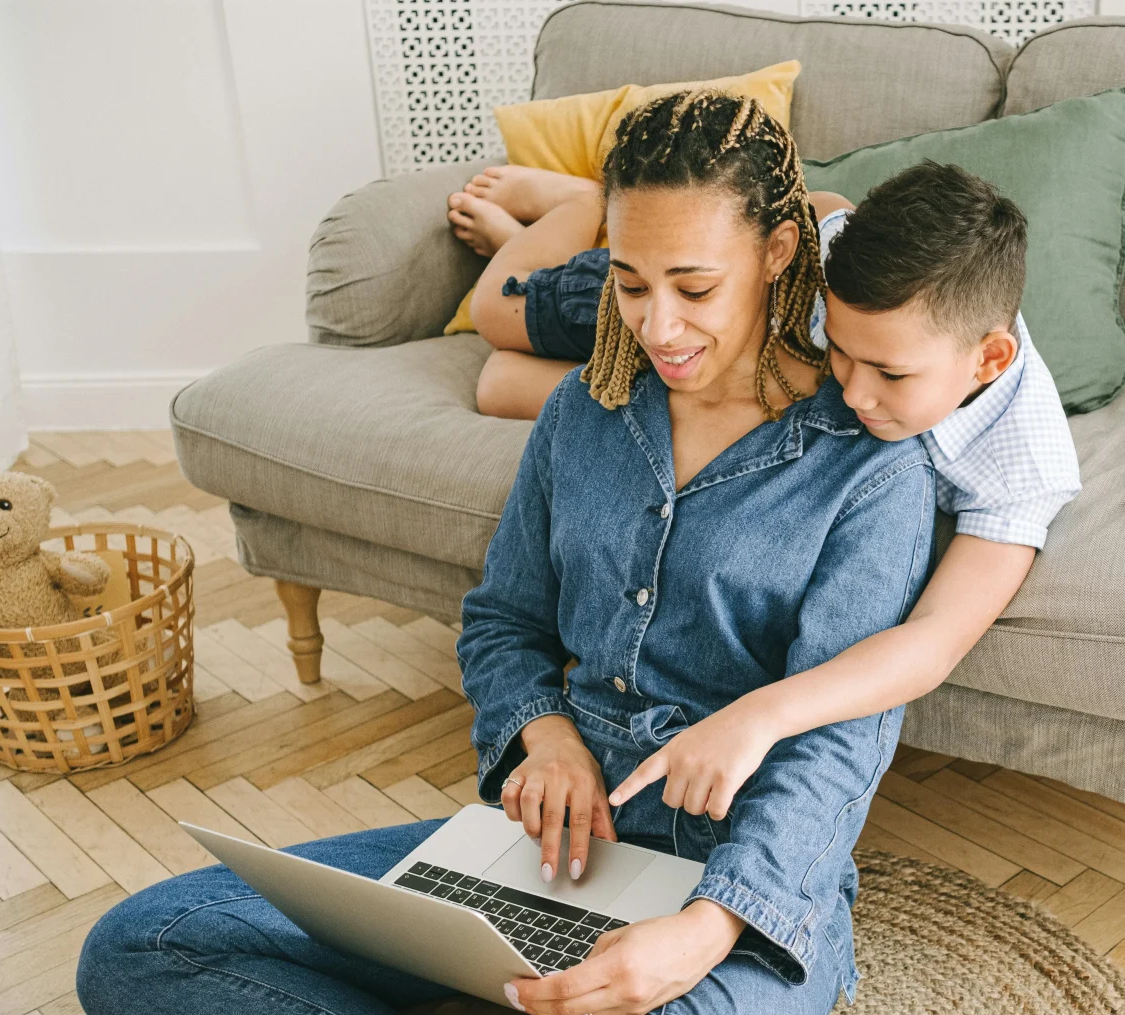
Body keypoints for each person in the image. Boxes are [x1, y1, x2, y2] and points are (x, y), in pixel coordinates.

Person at [76, 91, 937, 1015]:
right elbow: (504, 620)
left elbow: (838, 740)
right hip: (559, 855)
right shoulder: (587, 410)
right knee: (142, 948)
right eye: (628, 282)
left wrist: (709, 929)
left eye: (694, 286)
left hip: (744, 869)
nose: (657, 326)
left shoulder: (870, 468)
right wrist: (543, 732)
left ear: (775, 250)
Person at [451, 158, 1080, 821]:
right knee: (496, 314)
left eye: (891, 375)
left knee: (498, 385)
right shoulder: (824, 258)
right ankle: (586, 209)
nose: (853, 393)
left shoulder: (1025, 465)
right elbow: (822, 204)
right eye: (840, 352)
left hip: (699, 328)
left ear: (989, 360)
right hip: (698, 316)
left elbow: (931, 643)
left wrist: (760, 715)